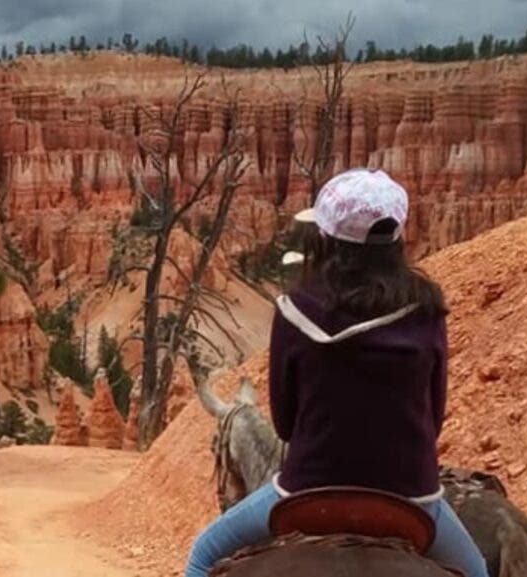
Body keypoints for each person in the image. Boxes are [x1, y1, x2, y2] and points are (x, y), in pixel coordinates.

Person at [184, 168, 488, 577]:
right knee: (479, 571)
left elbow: (285, 422)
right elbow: (433, 419)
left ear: (326, 237)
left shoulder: (294, 310)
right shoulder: (426, 310)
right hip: (412, 494)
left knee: (203, 556)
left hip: (308, 487)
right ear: (395, 239)